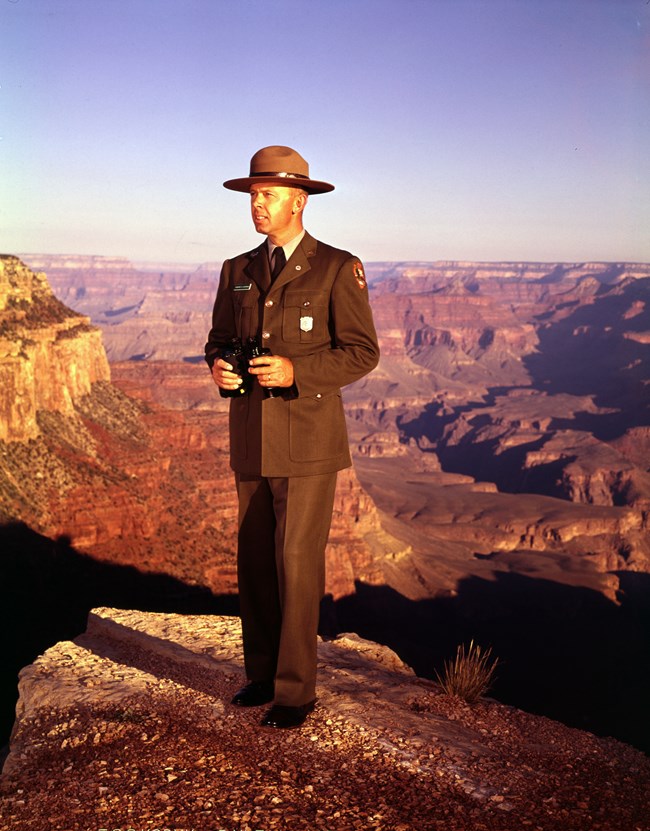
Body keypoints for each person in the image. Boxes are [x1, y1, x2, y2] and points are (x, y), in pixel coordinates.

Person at [205, 145, 379, 729]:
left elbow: (361, 352)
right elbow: (219, 338)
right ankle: (260, 675)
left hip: (307, 440)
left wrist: (298, 371)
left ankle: (295, 691)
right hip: (251, 434)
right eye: (253, 195)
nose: (257, 205)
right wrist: (220, 367)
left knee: (296, 561)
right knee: (254, 558)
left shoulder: (336, 267)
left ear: (298, 201)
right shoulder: (237, 270)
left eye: (267, 195)